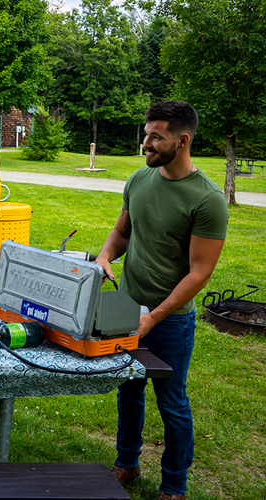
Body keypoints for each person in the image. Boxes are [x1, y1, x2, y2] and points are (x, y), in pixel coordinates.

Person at [95, 101, 229, 500]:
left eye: (156, 137)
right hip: (126, 311)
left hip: (169, 321)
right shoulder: (139, 179)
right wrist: (105, 256)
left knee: (172, 403)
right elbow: (122, 232)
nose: (146, 143)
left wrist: (154, 317)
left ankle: (174, 486)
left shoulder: (207, 200)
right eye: (146, 133)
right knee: (129, 391)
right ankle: (127, 464)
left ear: (182, 140)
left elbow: (199, 273)